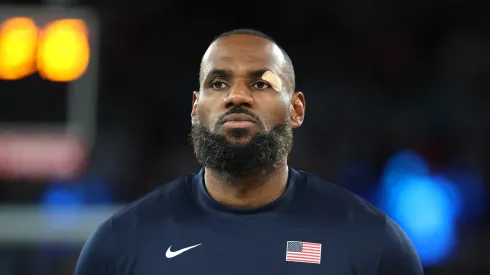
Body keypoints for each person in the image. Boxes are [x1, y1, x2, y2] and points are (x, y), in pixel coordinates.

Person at [74, 29, 423, 275]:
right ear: (196, 108)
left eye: (261, 83)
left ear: (296, 110)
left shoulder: (373, 242)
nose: (237, 96)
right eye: (218, 83)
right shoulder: (120, 243)